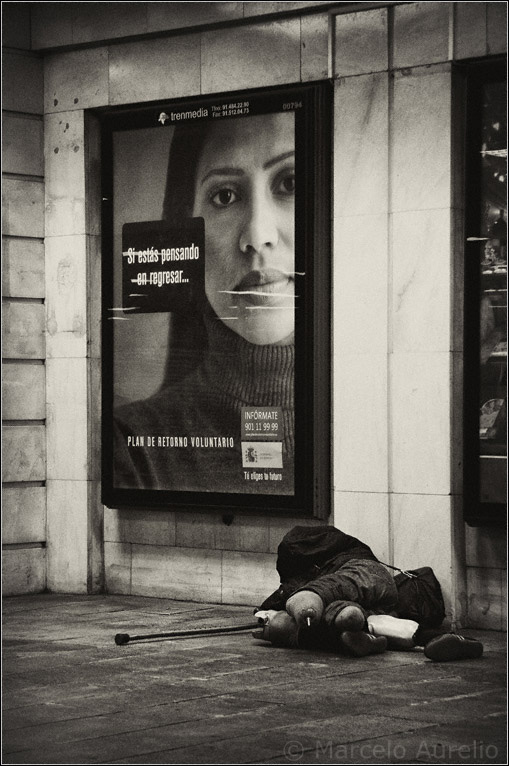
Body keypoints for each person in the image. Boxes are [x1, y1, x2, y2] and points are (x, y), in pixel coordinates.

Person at [114, 111, 297, 494]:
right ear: (188, 232)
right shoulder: (133, 451)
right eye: (225, 196)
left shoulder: (404, 420)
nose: (257, 235)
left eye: (290, 183)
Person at [252, 526, 484, 662]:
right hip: (375, 601)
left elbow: (334, 584)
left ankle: (346, 623)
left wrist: (276, 615)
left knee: (332, 595)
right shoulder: (344, 547)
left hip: (367, 579)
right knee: (361, 618)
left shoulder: (348, 565)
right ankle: (372, 637)